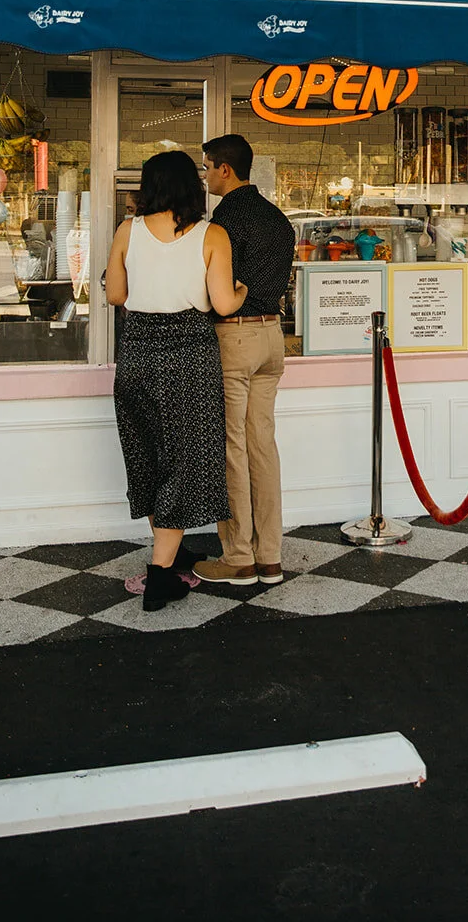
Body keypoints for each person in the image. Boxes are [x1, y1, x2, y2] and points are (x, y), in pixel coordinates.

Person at [105, 150, 246, 611]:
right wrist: (242, 289)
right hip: (189, 357)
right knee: (186, 463)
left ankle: (171, 549)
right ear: (192, 186)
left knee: (146, 457)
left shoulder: (128, 231)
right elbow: (223, 304)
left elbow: (116, 294)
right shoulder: (212, 235)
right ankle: (160, 577)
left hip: (137, 355)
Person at [193, 134, 296, 589]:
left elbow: (214, 289)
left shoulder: (224, 221)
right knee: (263, 447)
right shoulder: (278, 218)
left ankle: (238, 557)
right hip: (272, 337)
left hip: (234, 337)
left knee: (232, 447)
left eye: (207, 167)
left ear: (225, 169)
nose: (205, 176)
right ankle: (270, 557)